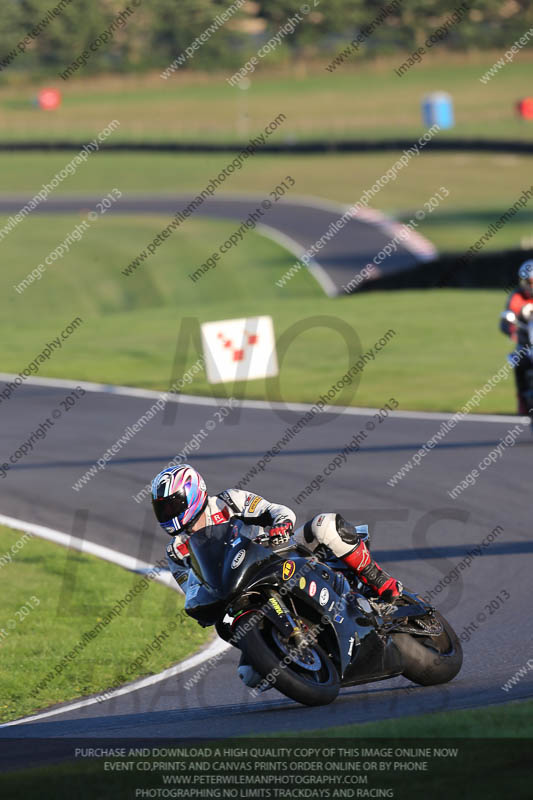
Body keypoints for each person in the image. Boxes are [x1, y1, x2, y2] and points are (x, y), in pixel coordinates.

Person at [151, 464, 402, 599]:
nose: (168, 513)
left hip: (277, 554)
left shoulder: (229, 501)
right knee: (249, 672)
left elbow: (276, 510)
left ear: (192, 493)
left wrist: (280, 525)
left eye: (172, 504)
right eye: (162, 509)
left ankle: (379, 580)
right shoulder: (176, 552)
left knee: (324, 524)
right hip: (241, 590)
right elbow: (192, 592)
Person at [501, 260, 533, 415]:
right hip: (526, 343)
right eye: (531, 282)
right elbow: (506, 320)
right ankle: (522, 399)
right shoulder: (517, 297)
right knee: (519, 362)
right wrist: (511, 330)